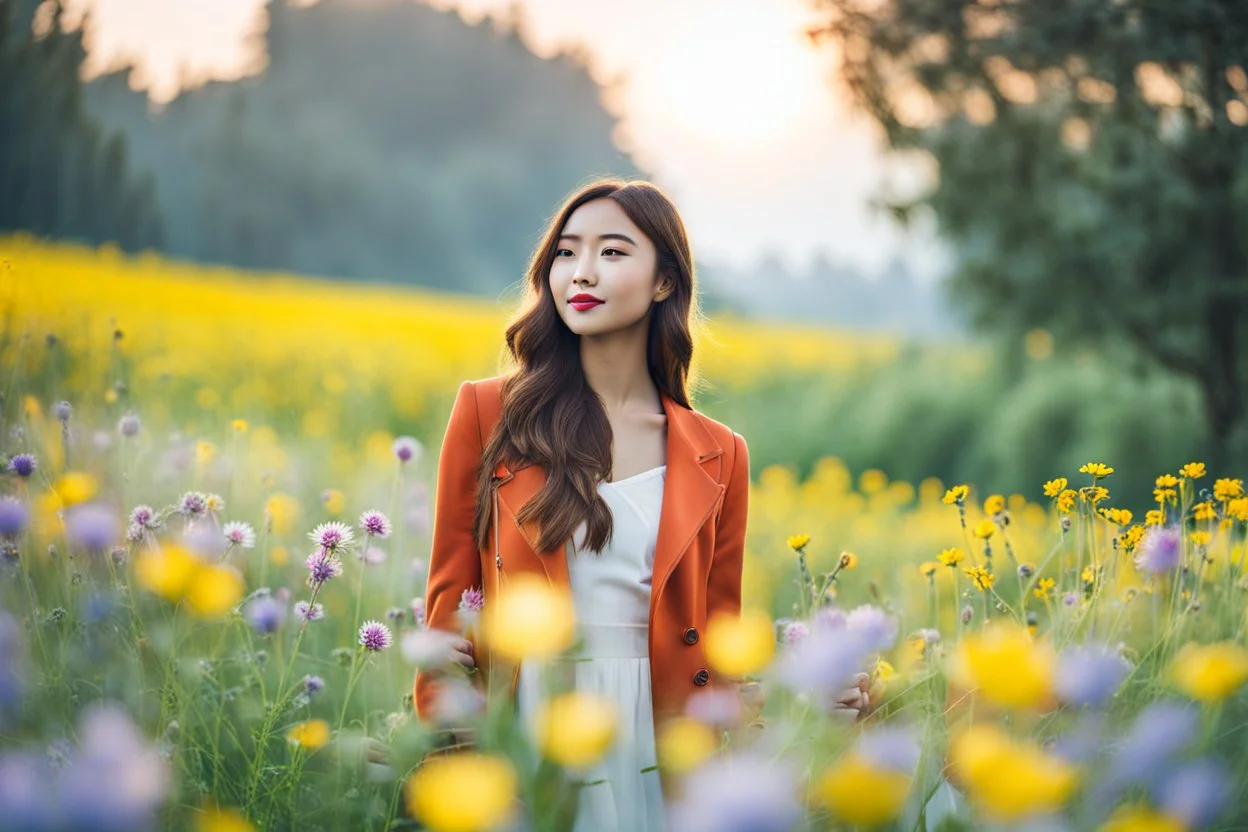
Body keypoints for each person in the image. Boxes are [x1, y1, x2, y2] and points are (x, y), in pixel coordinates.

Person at [412, 179, 865, 830]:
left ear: (663, 282)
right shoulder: (488, 414)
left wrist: (804, 701)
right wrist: (452, 737)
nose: (583, 272)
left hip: (659, 743)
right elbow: (449, 604)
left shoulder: (720, 454)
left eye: (613, 252)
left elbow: (713, 649)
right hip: (526, 728)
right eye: (566, 253)